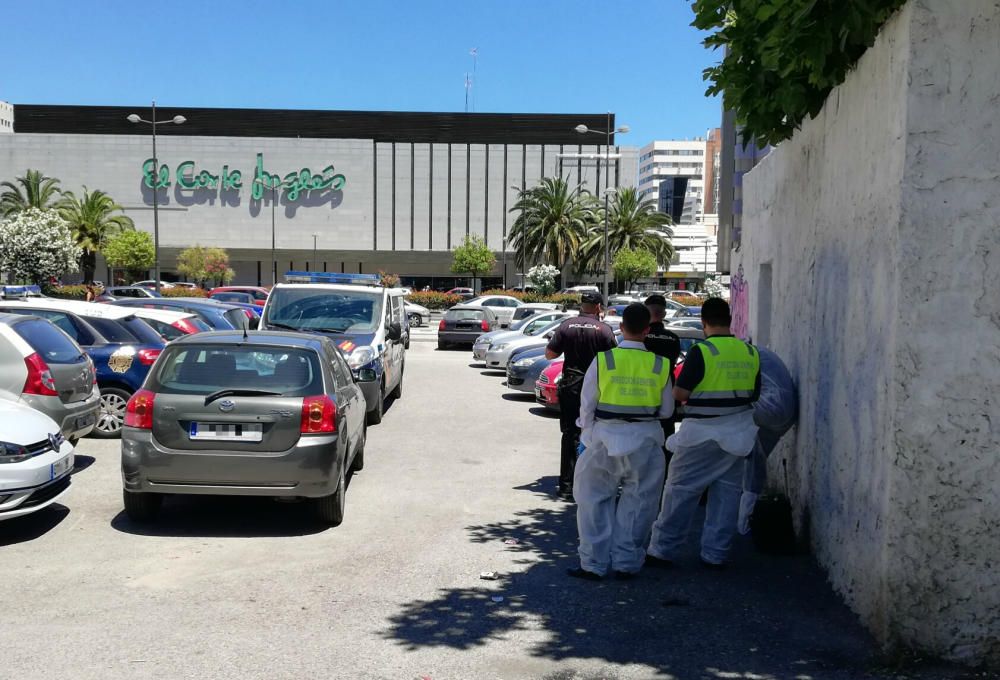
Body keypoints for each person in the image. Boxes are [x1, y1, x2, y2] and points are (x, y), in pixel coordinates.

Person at [646, 297, 761, 569]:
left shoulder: (702, 351)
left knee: (680, 491)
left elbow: (680, 393)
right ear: (730, 320)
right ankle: (716, 553)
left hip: (701, 433)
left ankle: (662, 549)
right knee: (727, 495)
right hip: (739, 434)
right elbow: (755, 393)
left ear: (704, 322)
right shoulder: (750, 352)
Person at [567, 304, 674, 581]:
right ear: (647, 330)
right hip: (646, 439)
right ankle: (626, 563)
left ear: (621, 328)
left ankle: (592, 564)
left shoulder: (604, 360)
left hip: (604, 438)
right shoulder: (660, 364)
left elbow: (586, 404)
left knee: (593, 500)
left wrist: (588, 437)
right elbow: (666, 411)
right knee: (639, 502)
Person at [545, 291, 616, 500]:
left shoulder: (567, 325)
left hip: (571, 386)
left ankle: (566, 486)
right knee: (594, 434)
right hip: (596, 387)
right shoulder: (604, 330)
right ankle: (589, 483)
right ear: (598, 308)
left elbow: (550, 354)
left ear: (582, 305)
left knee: (569, 435)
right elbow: (613, 359)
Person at [643, 294, 682, 442]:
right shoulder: (673, 338)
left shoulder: (642, 337)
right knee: (666, 440)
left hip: (644, 393)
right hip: (667, 392)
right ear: (664, 314)